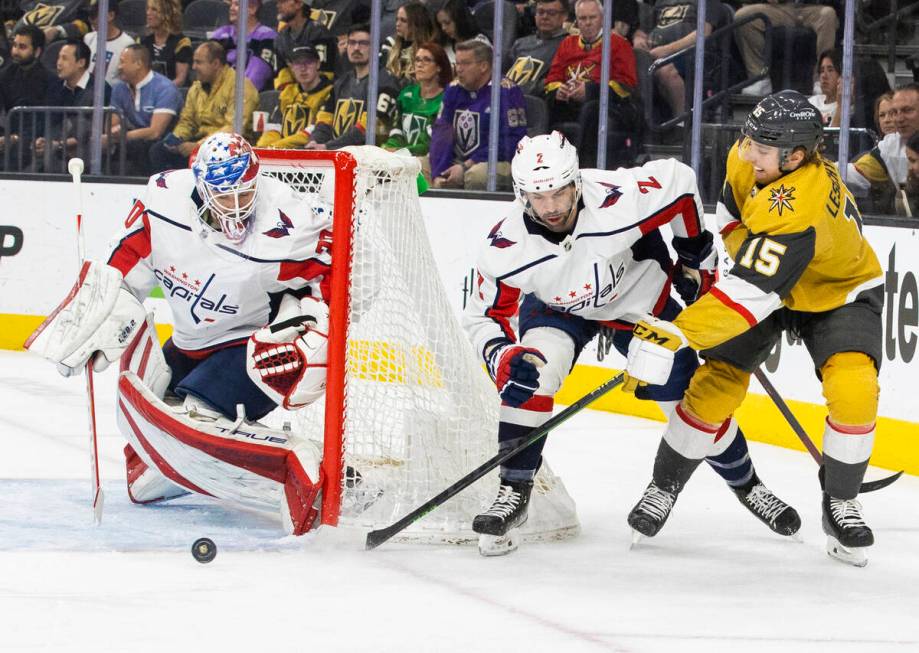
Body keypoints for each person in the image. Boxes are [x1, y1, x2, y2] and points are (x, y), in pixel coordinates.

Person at [463, 131, 800, 556]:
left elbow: (679, 183)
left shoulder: (617, 199)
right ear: (521, 194)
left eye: (559, 192)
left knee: (692, 406)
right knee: (531, 374)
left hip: (641, 308)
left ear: (576, 182)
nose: (550, 207)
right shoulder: (504, 246)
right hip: (557, 309)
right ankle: (514, 492)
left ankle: (748, 485)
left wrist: (695, 256)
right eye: (537, 196)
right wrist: (502, 355)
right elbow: (483, 315)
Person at [25, 132, 333, 535]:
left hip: (251, 345)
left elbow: (332, 278)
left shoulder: (290, 222)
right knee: (144, 478)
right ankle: (186, 467)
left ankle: (293, 463)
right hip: (190, 342)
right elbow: (124, 265)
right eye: (225, 196)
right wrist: (99, 310)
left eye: (246, 192)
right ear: (202, 188)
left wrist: (313, 319)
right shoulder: (165, 202)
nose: (239, 207)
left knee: (198, 415)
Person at [623, 91, 883, 567]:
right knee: (714, 384)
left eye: (760, 149)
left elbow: (750, 295)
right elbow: (730, 220)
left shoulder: (799, 202)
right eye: (748, 140)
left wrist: (681, 331)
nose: (746, 153)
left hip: (838, 291)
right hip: (769, 282)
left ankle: (841, 501)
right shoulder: (749, 158)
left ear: (796, 156)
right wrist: (742, 256)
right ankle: (663, 487)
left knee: (855, 388)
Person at [544, 0, 640, 166]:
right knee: (544, 104)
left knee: (591, 108)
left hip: (610, 107)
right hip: (571, 104)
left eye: (592, 18)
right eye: (582, 18)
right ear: (577, 21)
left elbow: (626, 86)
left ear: (602, 18)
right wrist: (559, 90)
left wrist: (589, 91)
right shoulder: (567, 44)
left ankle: (582, 168)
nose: (587, 23)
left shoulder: (619, 44)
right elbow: (552, 78)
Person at [428, 39, 527, 190]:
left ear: (483, 66)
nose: (458, 69)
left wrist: (466, 166)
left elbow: (509, 142)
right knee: (413, 169)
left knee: (476, 176)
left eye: (465, 64)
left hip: (496, 161)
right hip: (459, 161)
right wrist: (438, 173)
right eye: (457, 63)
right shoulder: (453, 89)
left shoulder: (506, 92)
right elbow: (441, 134)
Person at [149, 41, 258, 173]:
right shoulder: (197, 87)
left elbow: (233, 128)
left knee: (193, 159)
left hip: (230, 147)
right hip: (200, 140)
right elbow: (187, 121)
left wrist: (199, 146)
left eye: (199, 62)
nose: (193, 67)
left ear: (216, 64)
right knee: (158, 150)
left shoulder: (240, 86)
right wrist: (176, 138)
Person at [306, 23, 399, 149]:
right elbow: (324, 120)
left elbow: (367, 129)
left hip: (367, 159)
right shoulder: (341, 82)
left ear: (375, 48)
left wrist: (328, 146)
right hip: (335, 153)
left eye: (363, 43)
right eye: (352, 42)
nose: (356, 48)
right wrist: (315, 141)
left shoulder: (385, 82)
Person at [633, 0, 728, 118]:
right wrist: (638, 38)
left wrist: (667, 50)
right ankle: (640, 123)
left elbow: (704, 32)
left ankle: (681, 122)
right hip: (655, 52)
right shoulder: (661, 2)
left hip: (693, 53)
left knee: (664, 69)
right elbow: (642, 30)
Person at [32, 38, 109, 172]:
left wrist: (58, 144)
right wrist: (42, 140)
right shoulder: (55, 87)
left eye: (64, 59)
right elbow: (50, 121)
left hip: (84, 156)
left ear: (81, 62)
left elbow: (92, 131)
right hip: (54, 151)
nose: (58, 63)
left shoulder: (100, 89)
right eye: (58, 58)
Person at [733, 0, 838, 96]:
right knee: (742, 16)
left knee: (828, 14)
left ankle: (821, 80)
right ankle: (760, 77)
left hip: (812, 7)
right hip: (780, 7)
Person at [108, 43, 184, 175]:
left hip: (163, 142)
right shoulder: (119, 88)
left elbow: (155, 132)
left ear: (138, 64)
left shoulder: (165, 88)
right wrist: (115, 131)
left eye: (122, 62)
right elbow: (113, 124)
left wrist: (124, 136)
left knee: (142, 148)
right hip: (133, 139)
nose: (119, 67)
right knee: (99, 143)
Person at [847, 83, 919, 213]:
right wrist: (820, 168)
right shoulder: (891, 145)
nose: (899, 119)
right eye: (895, 112)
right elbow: (855, 173)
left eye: (907, 110)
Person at [382, 41, 451, 175]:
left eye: (427, 60)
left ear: (439, 67)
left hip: (428, 161)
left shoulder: (446, 99)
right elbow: (397, 132)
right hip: (401, 157)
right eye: (417, 60)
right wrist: (388, 149)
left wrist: (399, 153)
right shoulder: (406, 95)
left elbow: (428, 143)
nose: (420, 64)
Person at [256, 45, 333, 148]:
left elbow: (314, 131)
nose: (303, 68)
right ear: (291, 67)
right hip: (282, 151)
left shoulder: (330, 92)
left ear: (318, 64)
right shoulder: (288, 92)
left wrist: (276, 147)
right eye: (297, 63)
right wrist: (264, 147)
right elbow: (274, 127)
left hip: (308, 152)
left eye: (308, 62)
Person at [0, 25, 52, 168]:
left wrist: (17, 138)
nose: (15, 51)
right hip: (8, 135)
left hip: (34, 140)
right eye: (15, 45)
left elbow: (45, 120)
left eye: (22, 47)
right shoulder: (5, 75)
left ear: (37, 51)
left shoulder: (49, 80)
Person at [505, 0, 570, 98]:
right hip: (507, 97)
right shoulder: (520, 43)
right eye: (540, 12)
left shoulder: (569, 45)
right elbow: (502, 74)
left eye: (551, 13)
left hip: (537, 102)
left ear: (564, 16)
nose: (545, 17)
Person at [212, 0, 278, 92]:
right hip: (219, 96)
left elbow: (255, 79)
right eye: (231, 4)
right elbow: (208, 69)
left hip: (249, 99)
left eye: (237, 5)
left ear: (253, 9)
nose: (231, 8)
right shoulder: (221, 34)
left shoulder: (266, 36)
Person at [274, 0, 338, 89]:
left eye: (283, 1)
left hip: (322, 93)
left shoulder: (318, 32)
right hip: (293, 95)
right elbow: (282, 76)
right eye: (278, 2)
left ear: (299, 4)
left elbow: (325, 73)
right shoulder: (280, 39)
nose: (278, 6)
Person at [382, 1, 439, 86]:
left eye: (403, 20)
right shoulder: (390, 44)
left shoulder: (430, 50)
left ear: (417, 24)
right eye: (397, 19)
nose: (397, 24)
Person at [139, 0, 192, 87]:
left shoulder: (181, 43)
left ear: (166, 13)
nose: (148, 13)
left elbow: (180, 80)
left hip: (171, 93)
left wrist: (160, 92)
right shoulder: (143, 41)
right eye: (148, 9)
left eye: (154, 9)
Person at [84, 1, 136, 86]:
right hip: (87, 92)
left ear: (111, 15)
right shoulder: (88, 38)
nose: (92, 20)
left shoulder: (127, 44)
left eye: (95, 15)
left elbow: (128, 77)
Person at [436, 0, 488, 65]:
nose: (443, 28)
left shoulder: (480, 43)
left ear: (460, 20)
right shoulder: (444, 46)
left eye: (447, 23)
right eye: (440, 24)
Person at [809, 49, 841, 126]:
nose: (824, 76)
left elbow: (833, 137)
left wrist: (841, 106)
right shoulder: (812, 102)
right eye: (822, 71)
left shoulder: (845, 109)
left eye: (830, 70)